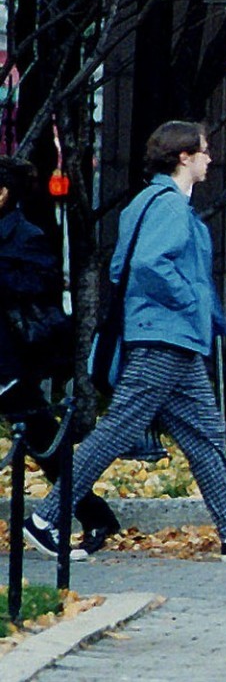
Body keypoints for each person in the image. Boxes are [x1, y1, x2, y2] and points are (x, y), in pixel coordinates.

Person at [24, 122, 226, 563]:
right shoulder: (169, 208)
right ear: (183, 157)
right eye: (203, 151)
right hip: (163, 337)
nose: (209, 158)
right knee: (120, 428)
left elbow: (122, 266)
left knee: (204, 434)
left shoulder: (148, 202)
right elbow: (147, 265)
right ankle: (46, 519)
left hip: (170, 338)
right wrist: (189, 303)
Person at [0, 156, 120, 554]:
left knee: (41, 441)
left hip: (11, 361)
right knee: (40, 438)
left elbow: (40, 287)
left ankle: (94, 514)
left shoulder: (26, 236)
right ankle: (93, 514)